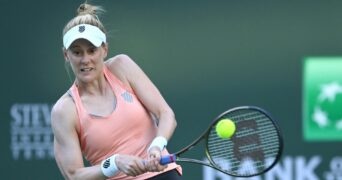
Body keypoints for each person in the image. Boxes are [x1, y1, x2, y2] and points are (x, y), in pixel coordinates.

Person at [51, 2, 182, 180]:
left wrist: (156, 147)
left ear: (105, 49)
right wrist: (114, 163)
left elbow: (166, 114)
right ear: (66, 55)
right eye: (77, 52)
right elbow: (74, 175)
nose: (85, 59)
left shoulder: (122, 67)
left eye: (92, 50)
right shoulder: (64, 110)